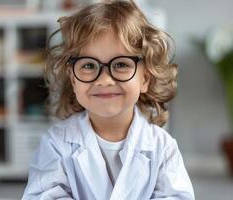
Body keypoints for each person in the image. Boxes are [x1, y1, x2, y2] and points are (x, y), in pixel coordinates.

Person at [22, 0, 195, 199]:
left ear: (145, 78)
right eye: (88, 66)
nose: (104, 80)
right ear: (73, 78)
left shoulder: (163, 148)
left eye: (121, 64)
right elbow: (44, 195)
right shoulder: (55, 144)